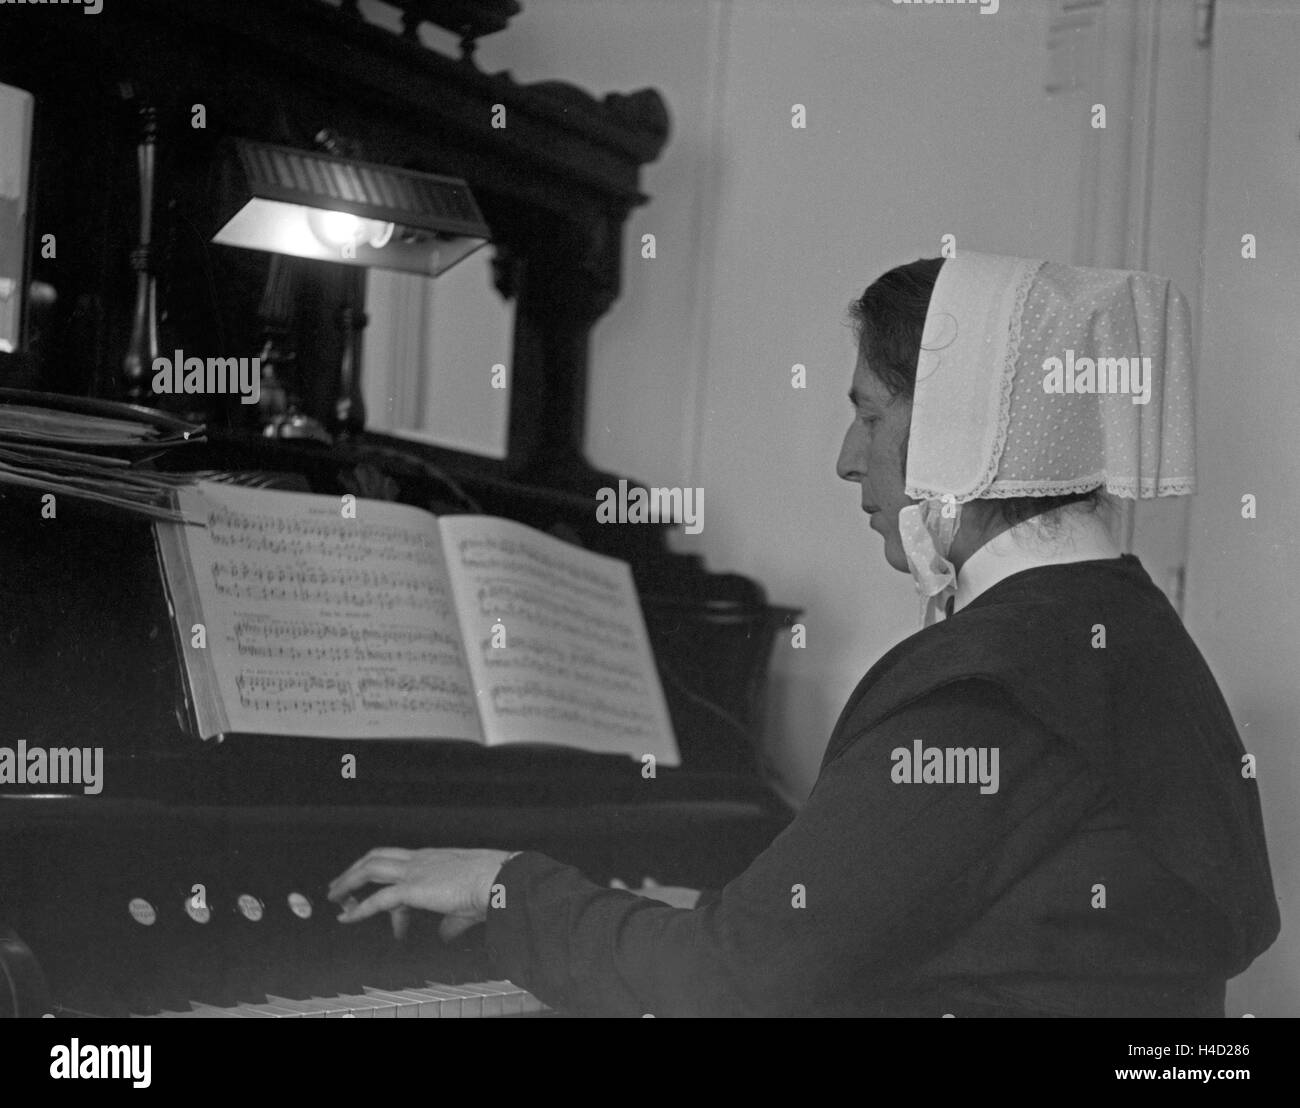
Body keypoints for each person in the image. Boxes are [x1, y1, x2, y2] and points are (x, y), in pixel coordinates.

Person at [328, 252, 1279, 1017]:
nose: (846, 459)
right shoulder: (1119, 621)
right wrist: (690, 914)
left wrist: (507, 887)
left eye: (870, 413)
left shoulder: (992, 679)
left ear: (957, 434)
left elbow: (737, 985)